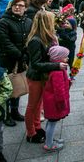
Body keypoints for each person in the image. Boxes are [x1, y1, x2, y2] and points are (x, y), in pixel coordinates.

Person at [25, 11, 68, 144]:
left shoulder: (45, 37)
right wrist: (56, 66)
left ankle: (37, 127)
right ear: (45, 22)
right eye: (52, 20)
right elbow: (36, 64)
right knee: (32, 106)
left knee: (39, 105)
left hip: (42, 76)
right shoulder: (35, 40)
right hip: (35, 77)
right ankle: (30, 133)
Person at [0, 0, 32, 127]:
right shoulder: (3, 22)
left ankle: (15, 111)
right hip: (7, 60)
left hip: (21, 61)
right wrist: (19, 54)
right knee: (6, 88)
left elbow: (30, 39)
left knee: (17, 86)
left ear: (25, 8)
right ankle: (6, 114)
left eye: (21, 6)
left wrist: (26, 55)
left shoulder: (28, 21)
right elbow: (3, 41)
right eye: (15, 5)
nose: (17, 7)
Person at [42, 45, 71, 152]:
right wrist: (62, 102)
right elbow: (59, 90)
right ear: (58, 58)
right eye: (65, 56)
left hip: (52, 101)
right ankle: (49, 144)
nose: (67, 58)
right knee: (52, 122)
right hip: (54, 102)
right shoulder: (57, 72)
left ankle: (49, 139)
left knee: (51, 121)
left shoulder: (57, 69)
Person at [57, 4, 77, 68]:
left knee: (70, 63)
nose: (65, 24)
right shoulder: (62, 30)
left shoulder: (73, 33)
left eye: (67, 23)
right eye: (64, 23)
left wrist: (62, 33)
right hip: (62, 53)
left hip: (70, 53)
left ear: (72, 26)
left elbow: (70, 40)